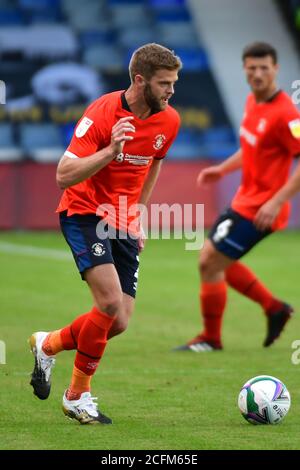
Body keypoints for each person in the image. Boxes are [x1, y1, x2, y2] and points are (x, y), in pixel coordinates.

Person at [29, 43, 181, 424]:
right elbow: (64, 175)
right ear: (140, 80)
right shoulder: (102, 113)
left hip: (123, 218)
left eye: (174, 83)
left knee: (120, 321)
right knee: (110, 302)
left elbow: (153, 165)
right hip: (83, 211)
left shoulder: (169, 120)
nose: (171, 91)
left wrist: (138, 214)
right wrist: (111, 151)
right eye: (164, 83)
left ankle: (48, 344)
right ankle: (77, 395)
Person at [175, 42, 300, 352]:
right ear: (244, 68)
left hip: (262, 210)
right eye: (252, 67)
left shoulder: (288, 115)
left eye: (264, 67)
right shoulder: (252, 102)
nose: (257, 73)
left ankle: (211, 338)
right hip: (244, 201)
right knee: (214, 261)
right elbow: (251, 147)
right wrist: (222, 169)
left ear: (276, 69)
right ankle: (273, 308)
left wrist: (276, 201)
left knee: (209, 262)